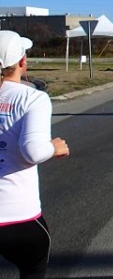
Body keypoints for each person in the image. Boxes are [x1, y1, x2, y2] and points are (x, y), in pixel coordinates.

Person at [0, 30, 70, 279]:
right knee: (33, 269)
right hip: (17, 218)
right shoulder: (32, 98)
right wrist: (55, 147)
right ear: (22, 61)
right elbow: (33, 150)